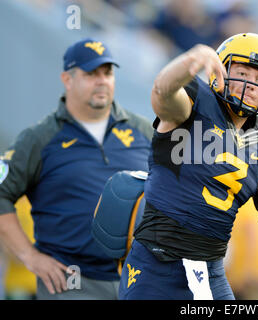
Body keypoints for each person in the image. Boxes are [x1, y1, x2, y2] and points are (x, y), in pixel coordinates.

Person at [118, 32, 258, 300]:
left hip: (210, 269)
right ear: (221, 70)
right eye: (242, 73)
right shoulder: (195, 101)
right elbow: (162, 92)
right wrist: (189, 61)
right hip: (157, 261)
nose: (251, 85)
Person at [0, 38, 153, 299]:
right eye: (91, 74)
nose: (102, 80)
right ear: (67, 79)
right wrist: (30, 256)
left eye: (107, 73)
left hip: (138, 279)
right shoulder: (39, 138)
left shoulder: (143, 131)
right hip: (71, 283)